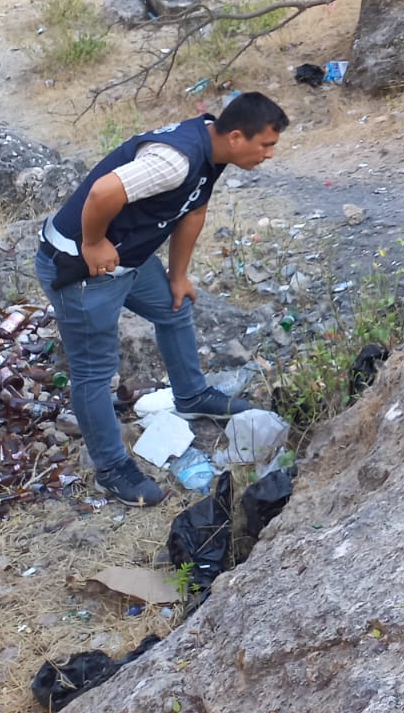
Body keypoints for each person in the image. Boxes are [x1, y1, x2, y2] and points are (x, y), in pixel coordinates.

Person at [35, 93, 289, 506]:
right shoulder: (176, 160)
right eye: (266, 145)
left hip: (128, 260)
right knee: (95, 372)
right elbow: (103, 192)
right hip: (82, 268)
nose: (270, 154)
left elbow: (193, 212)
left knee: (175, 306)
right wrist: (94, 242)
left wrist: (178, 275)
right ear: (238, 136)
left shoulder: (213, 150)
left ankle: (191, 395)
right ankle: (111, 468)